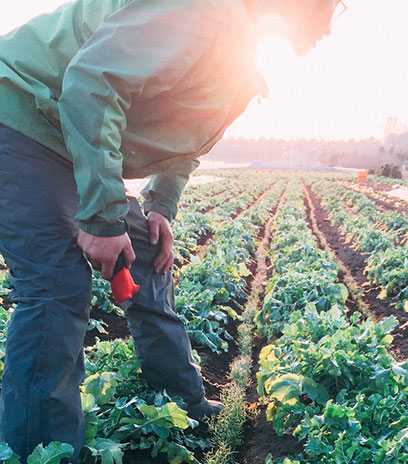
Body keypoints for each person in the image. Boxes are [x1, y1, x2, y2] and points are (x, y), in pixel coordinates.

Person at [0, 0, 341, 461]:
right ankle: (41, 450)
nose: (330, 25)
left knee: (149, 252)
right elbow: (90, 84)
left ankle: (182, 398)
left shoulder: (239, 54)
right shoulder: (200, 10)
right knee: (56, 286)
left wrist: (160, 205)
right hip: (19, 111)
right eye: (332, 7)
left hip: (65, 131)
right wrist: (102, 219)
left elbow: (185, 142)